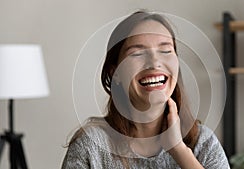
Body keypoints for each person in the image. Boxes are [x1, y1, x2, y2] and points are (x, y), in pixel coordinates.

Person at [62, 10, 230, 169]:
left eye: (165, 50)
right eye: (137, 53)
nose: (154, 62)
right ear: (115, 73)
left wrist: (179, 150)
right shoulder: (91, 146)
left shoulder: (203, 142)